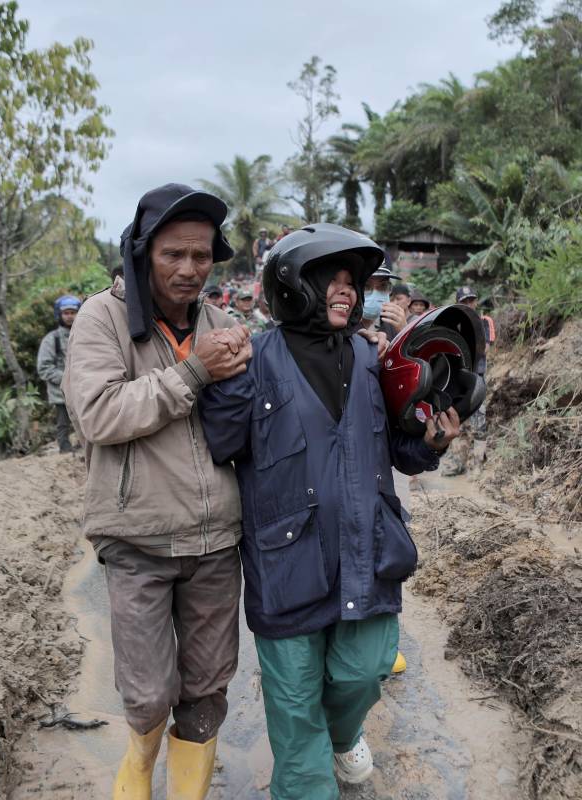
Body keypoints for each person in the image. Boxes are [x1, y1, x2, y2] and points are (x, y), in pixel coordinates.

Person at [197, 223, 459, 799]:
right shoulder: (252, 358)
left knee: (365, 670)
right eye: (331, 279)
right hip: (285, 565)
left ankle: (342, 734)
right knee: (295, 714)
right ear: (294, 284)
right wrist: (222, 377)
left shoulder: (374, 362)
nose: (347, 290)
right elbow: (222, 443)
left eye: (351, 282)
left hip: (366, 554)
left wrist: (432, 442)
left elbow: (401, 451)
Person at [61, 183, 253, 800]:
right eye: (174, 254)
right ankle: (139, 763)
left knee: (207, 688)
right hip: (137, 538)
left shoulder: (224, 324)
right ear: (143, 253)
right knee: (147, 694)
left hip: (216, 540)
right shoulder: (102, 318)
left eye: (201, 256)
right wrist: (196, 371)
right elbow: (99, 414)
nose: (190, 269)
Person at [442, 286, 491, 476]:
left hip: (476, 380)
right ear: (458, 303)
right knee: (456, 421)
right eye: (464, 302)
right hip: (456, 381)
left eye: (471, 300)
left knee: (479, 421)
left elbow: (484, 349)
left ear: (476, 302)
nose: (469, 304)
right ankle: (456, 464)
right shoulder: (452, 324)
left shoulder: (484, 322)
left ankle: (477, 464)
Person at [36, 294, 82, 453]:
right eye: (66, 313)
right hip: (60, 391)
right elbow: (44, 368)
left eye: (73, 312)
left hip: (84, 389)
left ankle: (84, 448)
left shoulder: (85, 335)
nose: (70, 316)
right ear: (59, 315)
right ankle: (65, 450)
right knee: (63, 422)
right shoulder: (51, 339)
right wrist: (67, 379)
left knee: (85, 420)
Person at [361, 260, 407, 339]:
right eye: (366, 286)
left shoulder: (394, 325)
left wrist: (405, 333)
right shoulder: (343, 328)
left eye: (383, 286)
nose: (376, 293)